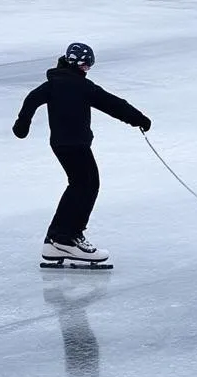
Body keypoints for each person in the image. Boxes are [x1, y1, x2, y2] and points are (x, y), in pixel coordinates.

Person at [12, 42, 151, 263]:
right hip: (75, 145)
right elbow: (113, 104)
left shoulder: (53, 84)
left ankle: (56, 239)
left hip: (61, 144)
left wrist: (22, 124)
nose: (87, 70)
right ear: (79, 64)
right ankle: (67, 239)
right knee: (86, 185)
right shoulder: (81, 86)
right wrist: (139, 119)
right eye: (87, 65)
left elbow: (31, 99)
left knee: (80, 185)